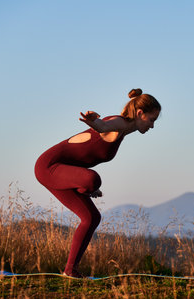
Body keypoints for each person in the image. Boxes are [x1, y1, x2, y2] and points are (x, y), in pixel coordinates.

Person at [34, 88, 161, 278]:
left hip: (63, 170)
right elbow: (102, 127)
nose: (152, 126)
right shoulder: (119, 123)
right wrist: (93, 121)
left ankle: (70, 271)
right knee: (93, 179)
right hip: (49, 167)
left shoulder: (124, 130)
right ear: (140, 113)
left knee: (91, 217)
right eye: (152, 120)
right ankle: (86, 186)